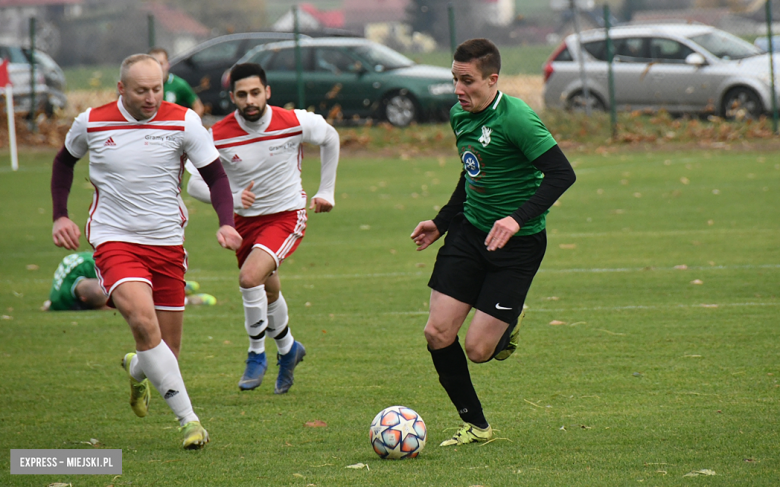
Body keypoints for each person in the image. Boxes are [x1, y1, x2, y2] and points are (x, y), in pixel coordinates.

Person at [50, 53, 242, 449]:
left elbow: (216, 176)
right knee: (141, 319)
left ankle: (136, 368)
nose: (151, 97)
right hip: (114, 239)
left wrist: (227, 222)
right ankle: (190, 422)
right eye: (141, 90)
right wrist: (60, 216)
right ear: (121, 88)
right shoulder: (92, 122)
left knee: (165, 353)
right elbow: (63, 163)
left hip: (168, 243)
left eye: (156, 88)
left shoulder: (184, 120)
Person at [410, 39, 576, 447]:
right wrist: (441, 222)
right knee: (437, 333)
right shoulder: (459, 116)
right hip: (469, 234)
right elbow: (472, 174)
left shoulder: (517, 118)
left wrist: (516, 219)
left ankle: (509, 318)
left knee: (480, 350)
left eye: (467, 81)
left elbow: (561, 174)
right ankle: (477, 426)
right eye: (454, 79)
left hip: (518, 246)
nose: (457, 89)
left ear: (492, 79)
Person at [187, 63, 339, 394]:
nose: (249, 100)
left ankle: (257, 353)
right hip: (244, 223)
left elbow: (330, 136)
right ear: (232, 97)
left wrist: (326, 190)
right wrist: (233, 198)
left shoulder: (293, 121)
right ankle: (288, 349)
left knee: (248, 278)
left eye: (256, 92)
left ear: (267, 92)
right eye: (242, 95)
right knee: (267, 291)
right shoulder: (218, 135)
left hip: (286, 216)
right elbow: (194, 185)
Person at [42, 250, 216, 311]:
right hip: (93, 271)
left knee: (135, 286)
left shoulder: (99, 265)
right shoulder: (61, 301)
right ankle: (187, 298)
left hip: (103, 264)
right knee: (128, 294)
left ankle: (179, 289)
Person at [148, 47, 205, 117]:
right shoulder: (141, 85)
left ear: (168, 65)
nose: (158, 67)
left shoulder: (179, 84)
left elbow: (198, 107)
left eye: (161, 63)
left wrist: (189, 123)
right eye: (154, 64)